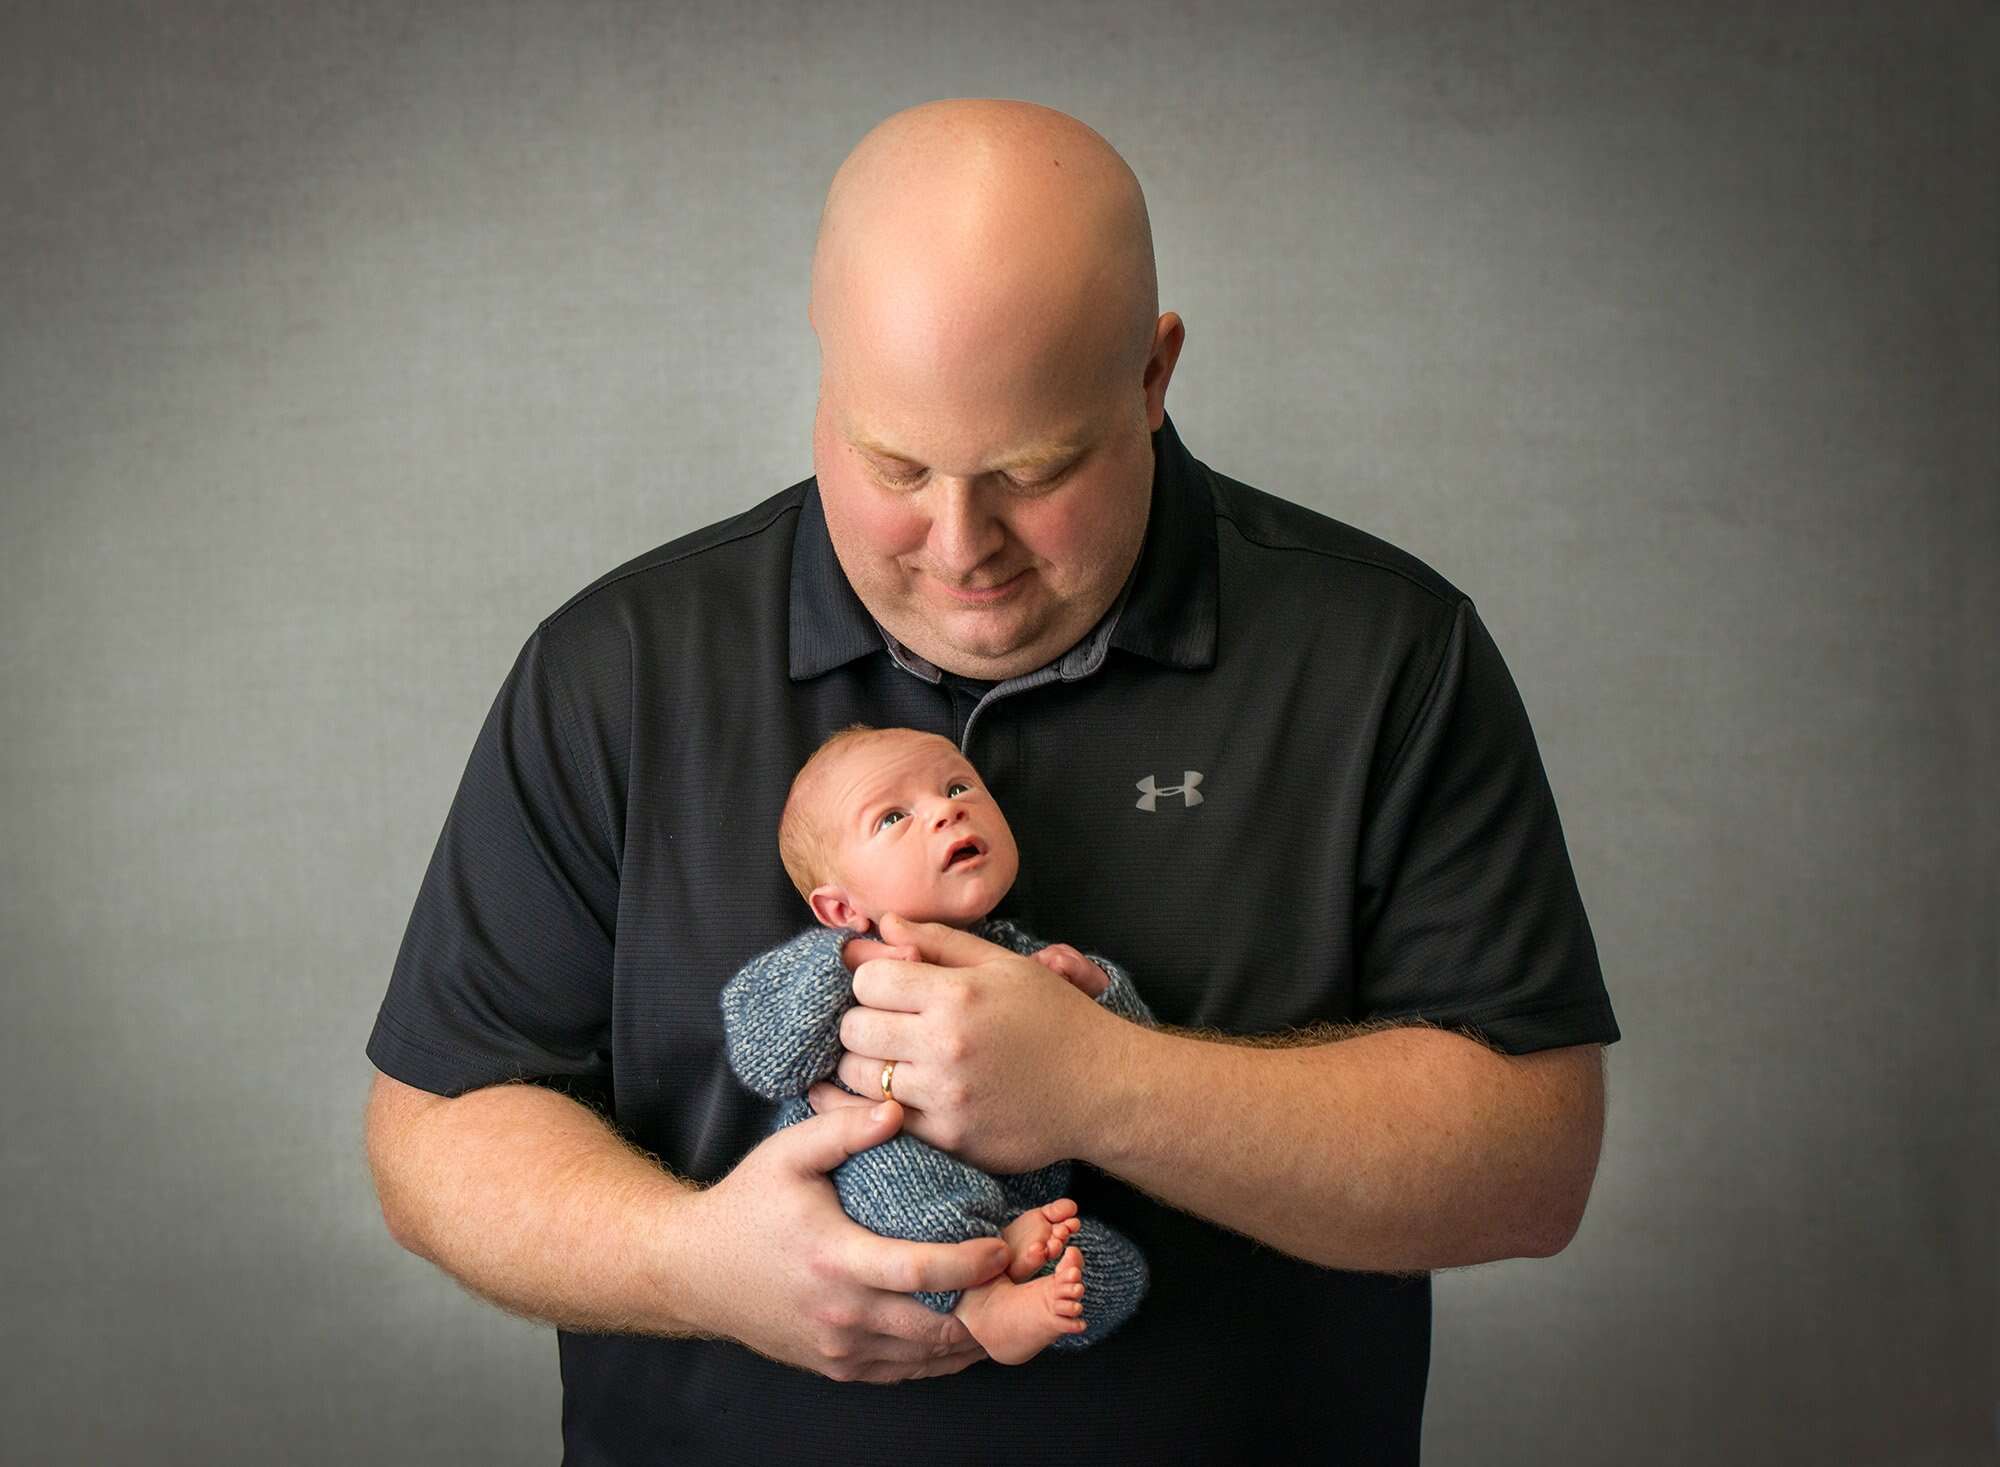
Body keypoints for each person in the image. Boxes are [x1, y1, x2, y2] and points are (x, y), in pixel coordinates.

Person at [363, 96, 1620, 1462]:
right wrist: (693, 1259)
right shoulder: (615, 664)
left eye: (1034, 469)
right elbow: (439, 1122)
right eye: (894, 461)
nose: (962, 547)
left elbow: (1530, 1162)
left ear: (1153, 376)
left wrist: (1102, 1084)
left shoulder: (1386, 653)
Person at [720, 723, 1157, 1364]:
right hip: (865, 1175)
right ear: (840, 908)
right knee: (882, 1164)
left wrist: (1095, 989)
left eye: (957, 787)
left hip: (1018, 1200)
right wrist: (846, 963)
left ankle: (1012, 1266)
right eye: (893, 816)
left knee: (1117, 1273)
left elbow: (1142, 1065)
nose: (948, 809)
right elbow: (764, 1058)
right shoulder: (837, 963)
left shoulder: (1025, 963)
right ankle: (980, 1298)